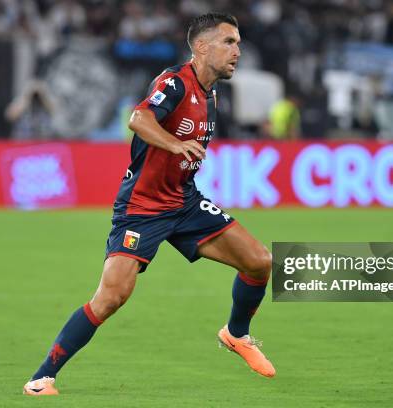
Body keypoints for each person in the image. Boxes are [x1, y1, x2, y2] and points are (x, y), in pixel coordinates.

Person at [23, 12, 275, 396]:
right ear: (202, 46)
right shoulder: (174, 82)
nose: (237, 51)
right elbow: (138, 119)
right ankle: (42, 377)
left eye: (238, 42)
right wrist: (175, 144)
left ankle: (236, 334)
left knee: (259, 262)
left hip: (185, 202)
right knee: (111, 299)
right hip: (142, 207)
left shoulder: (212, 93)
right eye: (229, 42)